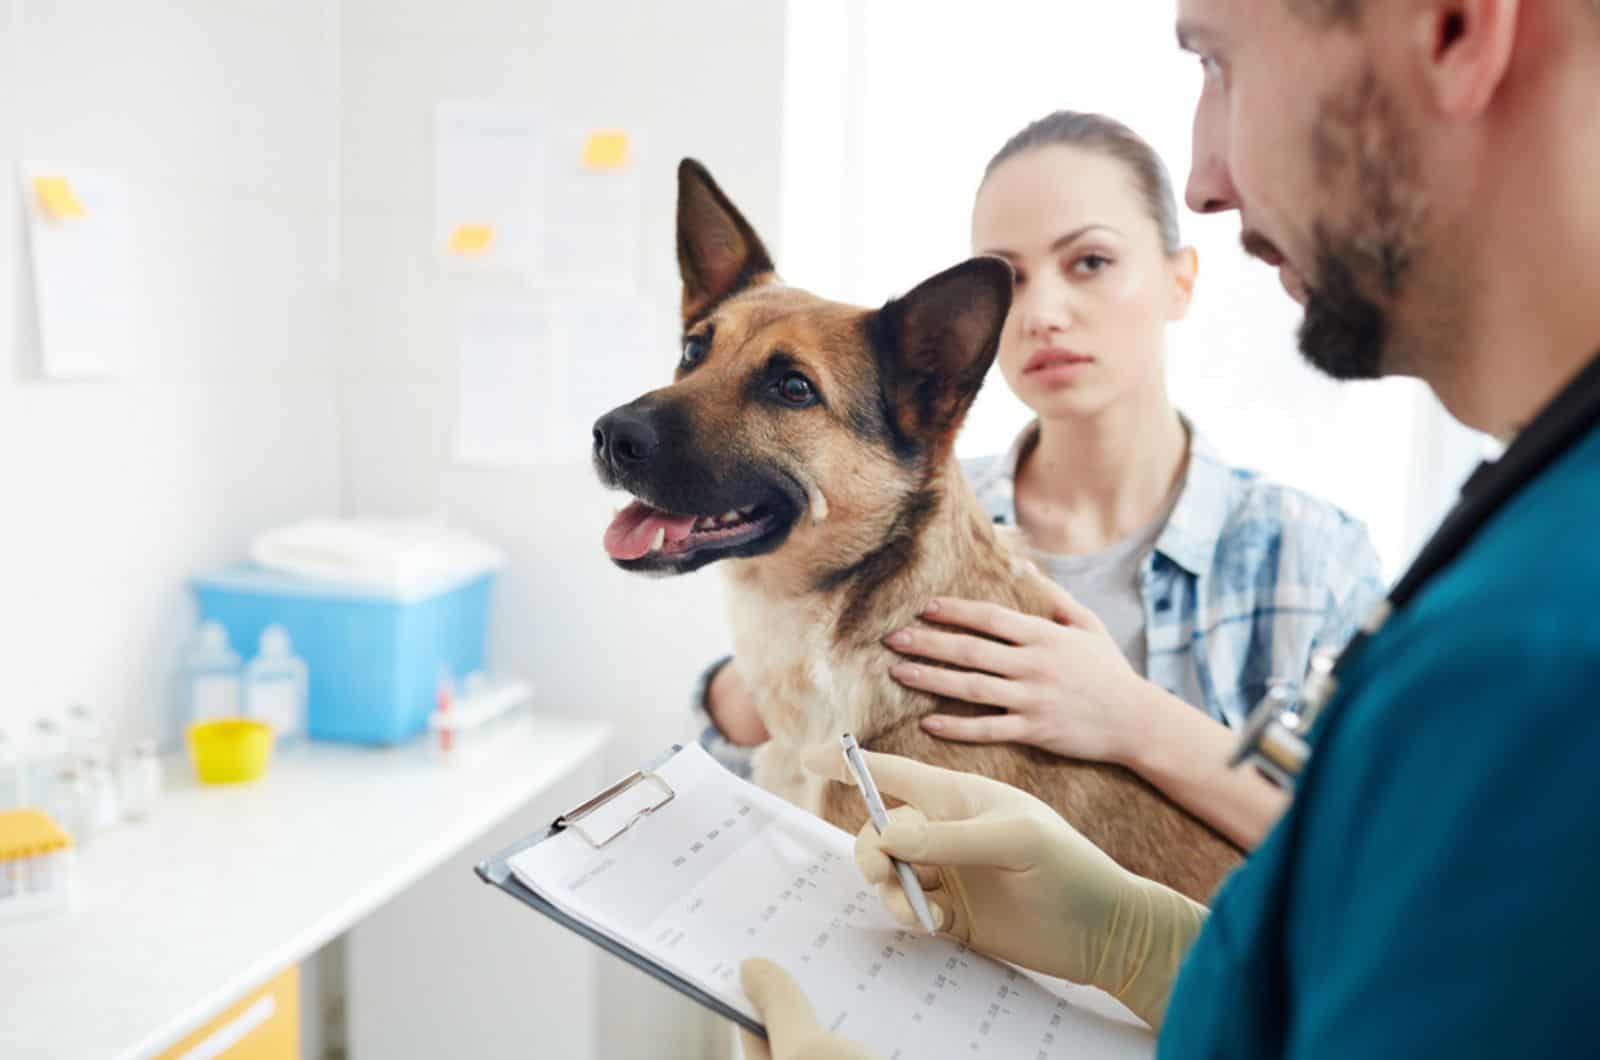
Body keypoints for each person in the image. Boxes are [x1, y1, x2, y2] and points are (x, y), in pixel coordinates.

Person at [739, 0, 1600, 1056]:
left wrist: (1131, 735)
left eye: (1217, 62)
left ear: (1457, 30)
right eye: (1006, 280)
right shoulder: (907, 527)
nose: (1207, 176)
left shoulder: (1465, 610)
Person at [693, 110, 1384, 853]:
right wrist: (748, 691)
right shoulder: (898, 522)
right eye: (1010, 277)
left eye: (1090, 261)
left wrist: (1131, 719)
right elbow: (747, 783)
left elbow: (1368, 863)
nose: (1044, 313)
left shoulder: (1309, 558)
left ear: (1179, 281)